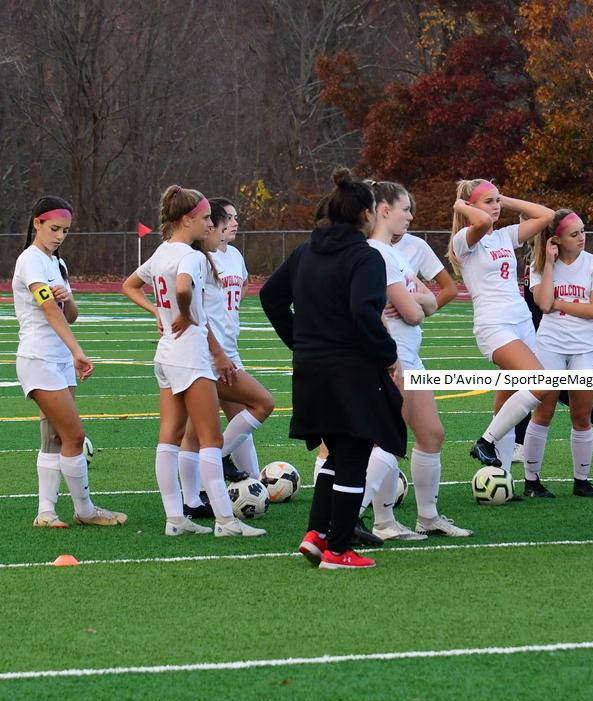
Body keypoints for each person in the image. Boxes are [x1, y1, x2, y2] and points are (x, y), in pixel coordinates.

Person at [260, 168, 407, 569]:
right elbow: (363, 313)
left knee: (336, 455)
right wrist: (388, 354)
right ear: (366, 214)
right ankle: (338, 550)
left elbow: (271, 297)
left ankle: (317, 534)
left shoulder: (306, 251)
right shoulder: (366, 257)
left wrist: (300, 341)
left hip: (310, 369)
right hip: (351, 370)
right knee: (355, 456)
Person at [122, 186, 264, 538]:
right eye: (204, 218)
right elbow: (184, 289)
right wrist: (184, 312)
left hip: (167, 355)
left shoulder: (161, 251)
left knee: (169, 437)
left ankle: (175, 518)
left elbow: (131, 284)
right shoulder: (192, 256)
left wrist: (160, 312)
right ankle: (225, 521)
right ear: (187, 219)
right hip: (190, 356)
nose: (209, 224)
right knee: (210, 439)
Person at [364, 180, 472, 539]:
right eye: (405, 209)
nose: (411, 216)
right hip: (394, 356)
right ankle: (374, 520)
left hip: (411, 355)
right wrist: (416, 306)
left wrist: (417, 304)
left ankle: (427, 517)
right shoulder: (376, 252)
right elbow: (413, 312)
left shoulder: (395, 253)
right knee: (388, 442)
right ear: (384, 210)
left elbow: (426, 301)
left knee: (431, 433)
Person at [14, 196, 126, 529]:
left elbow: (68, 314)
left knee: (54, 437)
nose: (60, 236)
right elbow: (48, 310)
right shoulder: (30, 260)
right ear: (37, 223)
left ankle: (46, 512)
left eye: (65, 230)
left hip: (59, 360)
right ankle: (85, 510)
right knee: (74, 436)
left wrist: (68, 297)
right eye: (54, 228)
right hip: (39, 358)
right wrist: (78, 351)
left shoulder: (57, 263)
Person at [446, 180, 556, 474]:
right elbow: (481, 222)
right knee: (541, 383)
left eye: (497, 201)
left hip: (521, 321)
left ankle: (503, 478)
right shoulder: (465, 240)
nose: (495, 207)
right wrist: (460, 205)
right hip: (494, 324)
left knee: (506, 403)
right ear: (470, 207)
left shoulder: (504, 236)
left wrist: (503, 199)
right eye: (489, 201)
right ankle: (485, 440)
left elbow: (546, 215)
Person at [176, 200, 275, 519]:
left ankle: (244, 484)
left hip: (229, 349)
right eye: (228, 218)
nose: (235, 223)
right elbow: (186, 297)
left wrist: (231, 310)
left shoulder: (234, 255)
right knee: (258, 405)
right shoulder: (200, 259)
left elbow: (242, 282)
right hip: (209, 353)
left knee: (228, 422)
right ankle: (212, 472)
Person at [521, 209, 593, 498]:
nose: (582, 237)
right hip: (550, 345)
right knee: (542, 413)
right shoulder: (540, 264)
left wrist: (560, 303)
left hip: (584, 347)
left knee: (581, 416)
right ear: (556, 239)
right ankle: (532, 481)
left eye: (583, 231)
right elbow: (543, 303)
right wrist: (548, 263)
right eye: (574, 234)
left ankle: (581, 481)